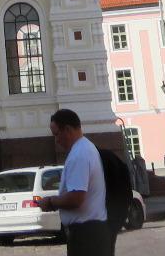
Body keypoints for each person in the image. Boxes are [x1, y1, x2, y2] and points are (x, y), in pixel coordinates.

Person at [36, 109, 110, 256]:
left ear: (68, 130)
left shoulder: (79, 155)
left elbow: (76, 198)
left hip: (85, 235)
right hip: (93, 232)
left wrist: (51, 202)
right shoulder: (87, 148)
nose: (56, 140)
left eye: (56, 134)